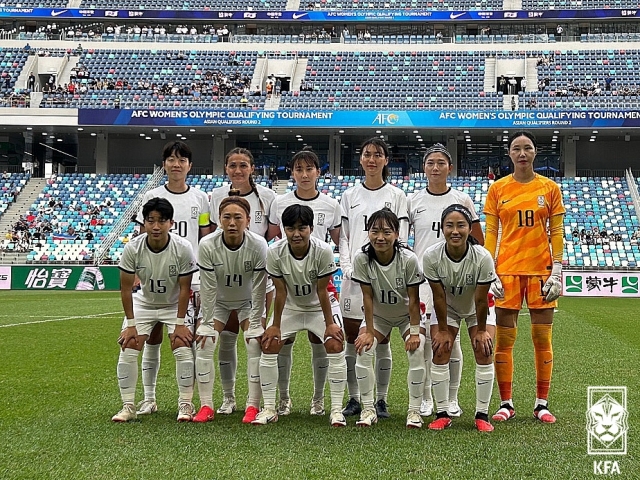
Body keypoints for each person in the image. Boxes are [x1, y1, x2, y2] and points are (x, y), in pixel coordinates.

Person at [483, 131, 565, 424]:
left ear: (535, 152)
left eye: (527, 148)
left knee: (542, 337)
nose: (522, 153)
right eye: (516, 148)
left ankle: (541, 403)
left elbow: (556, 231)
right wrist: (488, 266)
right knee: (505, 339)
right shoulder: (498, 189)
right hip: (506, 270)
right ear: (509, 153)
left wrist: (557, 268)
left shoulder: (550, 188)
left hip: (542, 271)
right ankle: (506, 403)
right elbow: (491, 232)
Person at [131, 141, 212, 417]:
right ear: (164, 164)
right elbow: (141, 235)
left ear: (189, 165)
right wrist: (136, 274)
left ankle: (188, 400)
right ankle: (149, 398)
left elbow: (205, 235)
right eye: (171, 159)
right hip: (154, 276)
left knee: (185, 338)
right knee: (151, 337)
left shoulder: (201, 198)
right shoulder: (151, 195)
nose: (176, 164)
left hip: (191, 277)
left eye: (182, 160)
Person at [408, 143, 484, 419]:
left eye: (441, 163)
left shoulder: (463, 199)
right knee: (429, 339)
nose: (436, 168)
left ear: (450, 167)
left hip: (456, 278)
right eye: (431, 163)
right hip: (425, 280)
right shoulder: (413, 200)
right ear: (424, 168)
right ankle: (428, 397)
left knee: (453, 340)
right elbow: (405, 242)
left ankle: (451, 398)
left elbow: (478, 239)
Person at [267, 147, 343, 417]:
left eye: (309, 169)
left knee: (319, 338)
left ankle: (318, 399)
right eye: (298, 169)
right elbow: (273, 238)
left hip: (319, 280)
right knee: (282, 342)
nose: (304, 174)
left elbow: (338, 242)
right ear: (292, 173)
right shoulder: (279, 202)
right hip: (289, 279)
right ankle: (284, 399)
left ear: (318, 172)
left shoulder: (331, 205)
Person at [254, 204, 346, 426]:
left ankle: (332, 408)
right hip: (291, 307)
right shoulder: (275, 252)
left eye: (302, 228)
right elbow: (281, 291)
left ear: (311, 228)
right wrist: (275, 325)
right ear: (284, 229)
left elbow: (322, 290)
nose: (296, 234)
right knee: (270, 344)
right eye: (290, 228)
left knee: (334, 344)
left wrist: (329, 324)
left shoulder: (323, 250)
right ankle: (271, 406)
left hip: (319, 306)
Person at [339, 137, 409, 419]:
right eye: (367, 154)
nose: (371, 159)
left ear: (385, 160)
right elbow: (343, 236)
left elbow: (401, 238)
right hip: (354, 278)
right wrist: (346, 264)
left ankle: (380, 400)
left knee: (381, 339)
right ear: (360, 159)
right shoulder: (349, 195)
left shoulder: (397, 196)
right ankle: (354, 397)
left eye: (377, 155)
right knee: (352, 338)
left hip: (385, 279)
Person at [112, 197, 198, 422]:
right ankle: (129, 405)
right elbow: (125, 288)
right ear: (145, 223)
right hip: (144, 302)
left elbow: (184, 288)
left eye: (161, 221)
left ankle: (186, 404)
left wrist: (180, 324)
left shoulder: (183, 247)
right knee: (129, 345)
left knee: (182, 345)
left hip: (173, 304)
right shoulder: (132, 248)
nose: (156, 226)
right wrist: (131, 325)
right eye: (151, 221)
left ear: (171, 223)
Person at [209, 147, 277, 419]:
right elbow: (209, 231)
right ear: (226, 168)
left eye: (243, 165)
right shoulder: (214, 196)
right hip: (224, 277)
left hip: (257, 276)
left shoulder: (268, 197)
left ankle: (254, 401)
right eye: (232, 165)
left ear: (252, 168)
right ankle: (228, 398)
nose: (238, 170)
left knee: (254, 340)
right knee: (226, 340)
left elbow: (272, 233)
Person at [195, 192, 268, 423]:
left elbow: (259, 288)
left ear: (248, 220)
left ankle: (252, 406)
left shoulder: (258, 245)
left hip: (248, 302)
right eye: (227, 217)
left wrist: (256, 322)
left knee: (255, 341)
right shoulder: (207, 245)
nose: (232, 222)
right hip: (218, 302)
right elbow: (207, 288)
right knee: (205, 343)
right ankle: (208, 405)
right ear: (219, 219)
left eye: (238, 217)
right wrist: (206, 323)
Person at [423, 204, 497, 432]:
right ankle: (442, 413)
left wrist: (482, 330)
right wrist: (444, 330)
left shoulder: (482, 257)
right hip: (449, 308)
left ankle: (482, 415)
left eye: (461, 226)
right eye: (449, 226)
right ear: (442, 229)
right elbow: (438, 297)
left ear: (469, 229)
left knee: (484, 349)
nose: (455, 231)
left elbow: (482, 300)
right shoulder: (432, 256)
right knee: (440, 348)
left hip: (478, 309)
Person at [352, 209, 425, 428]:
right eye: (375, 231)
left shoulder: (408, 259)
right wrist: (370, 332)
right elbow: (367, 296)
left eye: (386, 231)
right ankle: (368, 409)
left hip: (405, 316)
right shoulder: (362, 258)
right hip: (379, 316)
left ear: (397, 234)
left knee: (417, 349)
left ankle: (414, 412)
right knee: (363, 348)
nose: (380, 237)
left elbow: (414, 300)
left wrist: (413, 332)